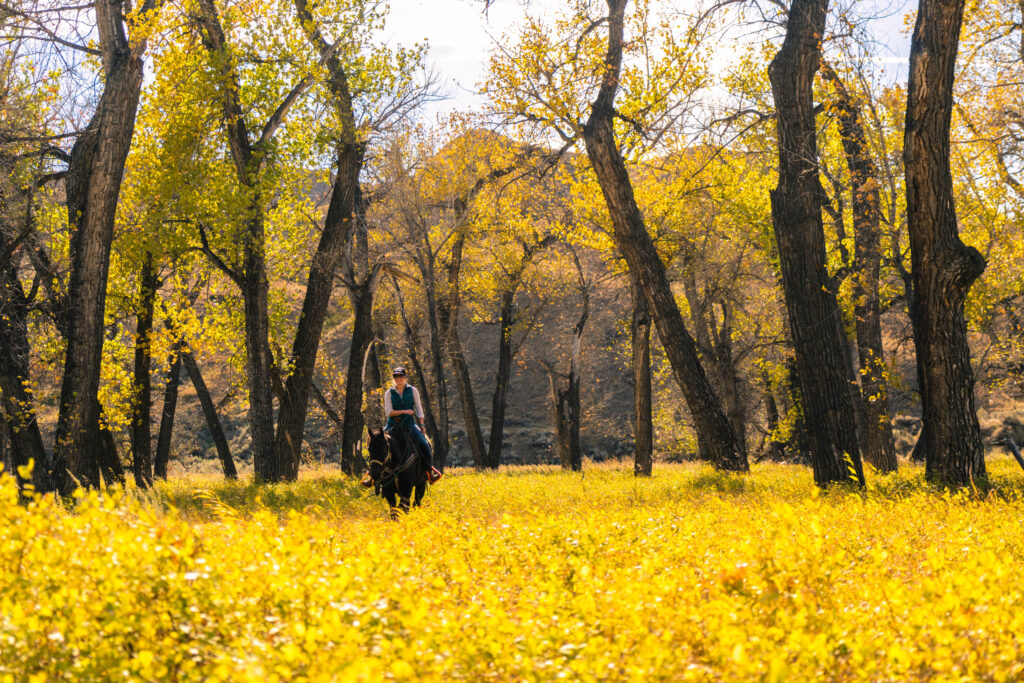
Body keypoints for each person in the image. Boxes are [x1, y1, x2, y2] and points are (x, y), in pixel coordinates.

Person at [383, 366, 442, 483]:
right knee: (377, 442)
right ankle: (372, 475)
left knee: (424, 443)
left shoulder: (413, 390)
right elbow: (389, 412)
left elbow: (419, 409)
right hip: (392, 424)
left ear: (405, 377)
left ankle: (429, 472)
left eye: (400, 376)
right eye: (395, 376)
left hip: (409, 423)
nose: (398, 378)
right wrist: (405, 411)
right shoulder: (389, 393)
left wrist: (422, 424)